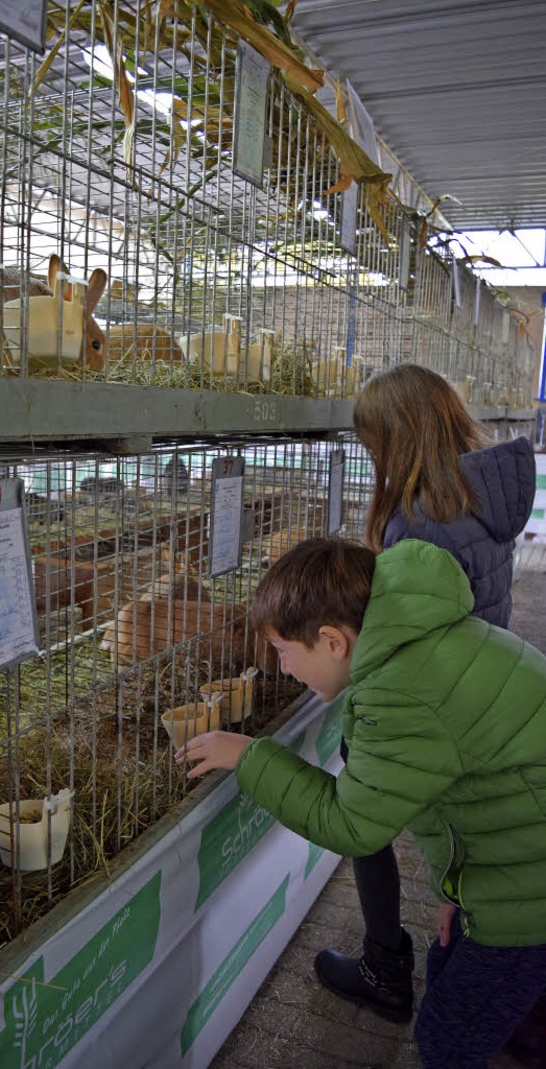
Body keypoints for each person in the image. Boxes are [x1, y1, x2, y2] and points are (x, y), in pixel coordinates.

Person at [175, 536, 546, 1069]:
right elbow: (456, 793)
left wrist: (251, 757)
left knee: (446, 1041)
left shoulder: (399, 694)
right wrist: (459, 890)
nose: (282, 671)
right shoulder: (425, 640)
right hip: (508, 863)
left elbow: (353, 826)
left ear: (331, 641)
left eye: (283, 653)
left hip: (529, 898)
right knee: (448, 969)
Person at [318, 364, 534, 1026]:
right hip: (477, 695)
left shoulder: (423, 525)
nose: (372, 460)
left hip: (436, 707)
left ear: (400, 439)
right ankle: (464, 954)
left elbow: (404, 643)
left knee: (364, 811)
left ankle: (386, 966)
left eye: (373, 445)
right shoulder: (479, 497)